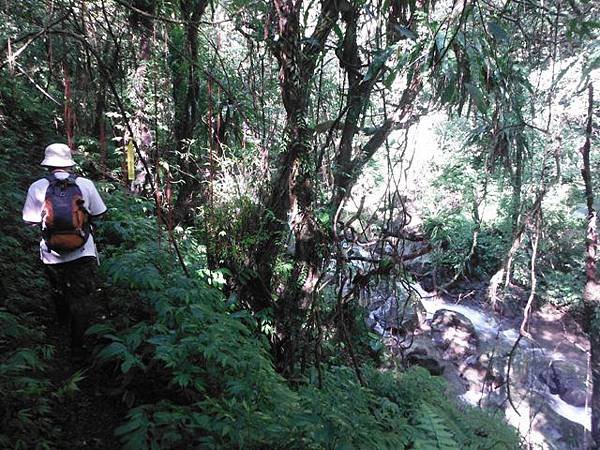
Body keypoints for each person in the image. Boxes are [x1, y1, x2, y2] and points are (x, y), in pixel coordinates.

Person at [22, 143, 107, 360]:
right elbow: (98, 213)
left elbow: (29, 221)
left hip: (51, 254)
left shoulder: (38, 186)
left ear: (48, 163)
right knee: (81, 298)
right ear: (69, 162)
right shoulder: (85, 184)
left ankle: (61, 327)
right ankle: (77, 347)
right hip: (83, 251)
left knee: (59, 291)